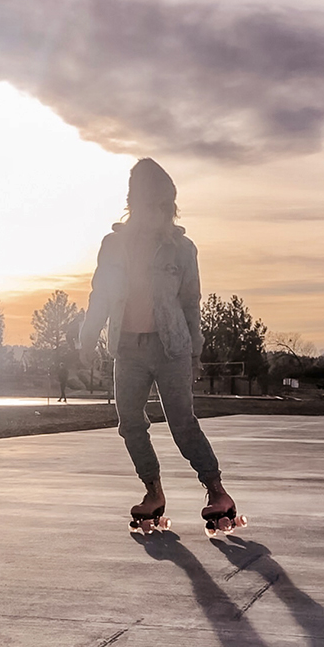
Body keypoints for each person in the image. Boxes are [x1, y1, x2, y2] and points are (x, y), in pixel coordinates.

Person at [79, 158, 246, 537]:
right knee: (130, 424)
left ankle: (217, 492)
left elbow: (191, 303)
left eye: (164, 207)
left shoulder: (182, 250)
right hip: (127, 348)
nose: (157, 215)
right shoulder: (113, 246)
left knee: (182, 423)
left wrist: (195, 353)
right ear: (134, 203)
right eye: (150, 205)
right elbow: (100, 296)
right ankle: (153, 492)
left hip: (172, 348)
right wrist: (88, 337)